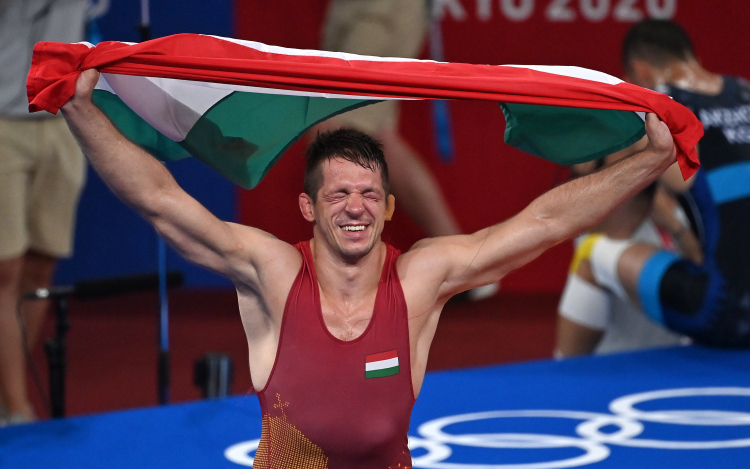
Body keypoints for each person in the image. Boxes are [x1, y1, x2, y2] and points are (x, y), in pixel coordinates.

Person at [60, 66, 677, 467]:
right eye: (338, 195)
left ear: (388, 208)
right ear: (308, 207)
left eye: (368, 195)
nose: (354, 208)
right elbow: (161, 200)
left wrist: (650, 160)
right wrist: (81, 109)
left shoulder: (420, 277)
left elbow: (544, 224)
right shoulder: (274, 272)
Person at [573, 19, 750, 348]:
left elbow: (599, 180)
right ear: (691, 57)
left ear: (640, 71)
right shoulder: (743, 90)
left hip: (724, 313)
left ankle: (561, 372)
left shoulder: (661, 110)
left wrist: (682, 235)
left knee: (591, 252)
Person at [317, 0, 497, 300]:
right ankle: (464, 264)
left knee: (341, 130)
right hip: (350, 7)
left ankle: (346, 277)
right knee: (375, 138)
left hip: (385, 6)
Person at [0, 0, 87, 426]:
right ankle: (17, 410)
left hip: (61, 120)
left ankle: (7, 397)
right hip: (2, 122)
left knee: (40, 268)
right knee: (4, 271)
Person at [555, 154, 695, 357]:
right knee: (591, 255)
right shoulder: (604, 219)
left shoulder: (683, 203)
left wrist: (677, 227)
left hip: (675, 361)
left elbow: (708, 275)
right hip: (615, 362)